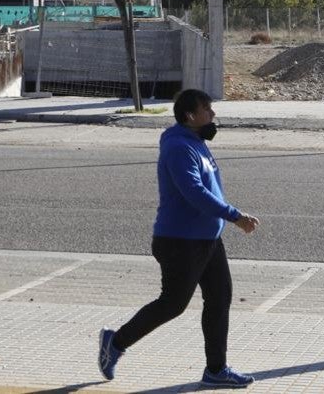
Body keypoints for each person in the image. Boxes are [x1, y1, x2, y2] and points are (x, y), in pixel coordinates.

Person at [97, 88, 261, 389]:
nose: (212, 114)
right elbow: (195, 192)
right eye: (206, 109)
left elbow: (208, 189)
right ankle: (115, 342)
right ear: (190, 116)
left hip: (207, 240)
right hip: (180, 241)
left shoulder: (195, 142)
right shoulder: (178, 147)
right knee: (172, 304)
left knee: (219, 298)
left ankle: (216, 369)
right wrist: (235, 216)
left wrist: (224, 221)